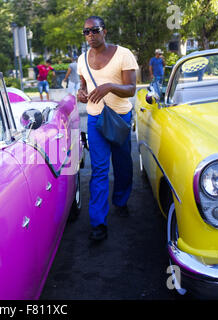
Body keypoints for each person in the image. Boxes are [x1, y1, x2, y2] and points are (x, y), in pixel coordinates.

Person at [77, 16, 138, 242]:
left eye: (94, 30)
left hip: (120, 116)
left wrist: (110, 86)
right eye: (86, 32)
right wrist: (81, 94)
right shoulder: (82, 59)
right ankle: (98, 223)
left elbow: (131, 89)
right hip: (95, 119)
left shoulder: (124, 54)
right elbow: (83, 87)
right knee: (99, 170)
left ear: (105, 31)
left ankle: (121, 200)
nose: (90, 36)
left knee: (123, 165)